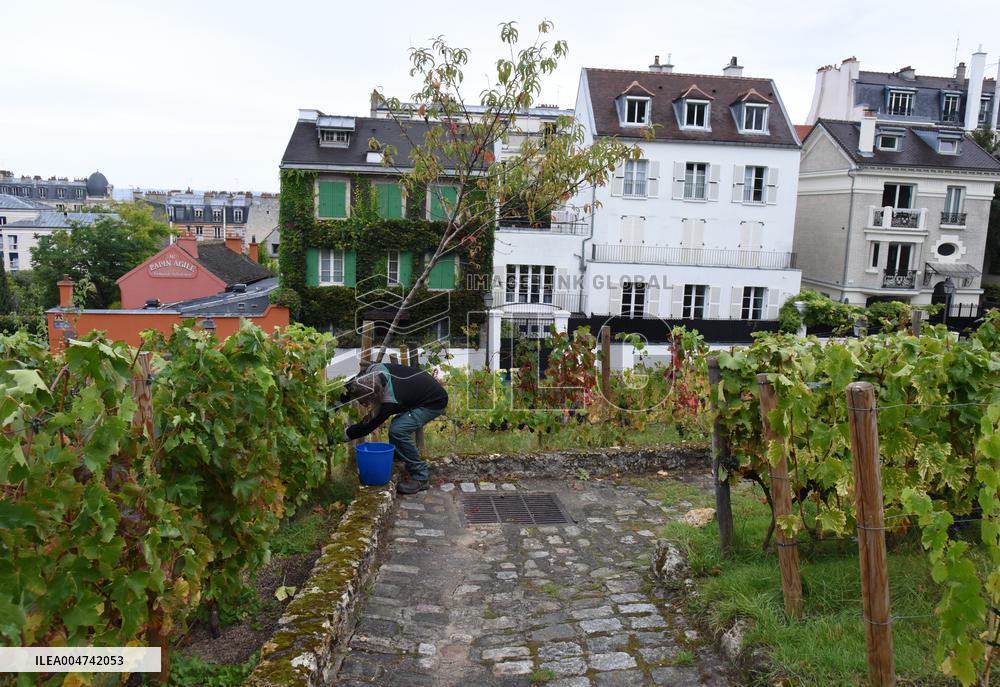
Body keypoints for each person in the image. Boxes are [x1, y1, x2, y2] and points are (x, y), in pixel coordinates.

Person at [341, 361, 448, 494]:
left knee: (398, 430)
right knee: (397, 427)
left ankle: (420, 477)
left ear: (377, 396)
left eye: (365, 402)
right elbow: (348, 387)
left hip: (434, 402)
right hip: (419, 391)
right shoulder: (369, 372)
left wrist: (341, 436)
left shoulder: (391, 400)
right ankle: (399, 462)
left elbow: (369, 426)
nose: (362, 404)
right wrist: (333, 404)